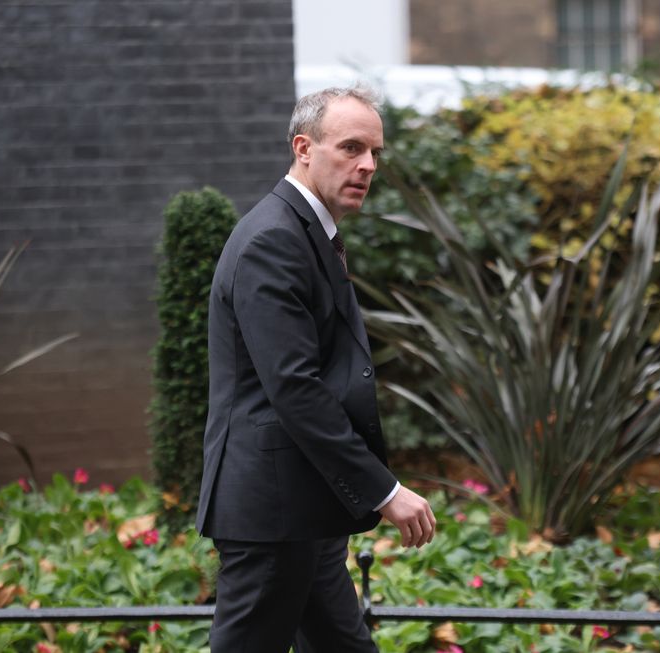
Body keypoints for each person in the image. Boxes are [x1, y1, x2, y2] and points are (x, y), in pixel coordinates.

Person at [195, 86, 436, 652]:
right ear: (304, 147)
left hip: (305, 505)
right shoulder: (274, 239)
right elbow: (295, 388)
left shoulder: (304, 231)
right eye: (351, 148)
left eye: (374, 152)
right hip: (273, 514)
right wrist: (385, 491)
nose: (368, 165)